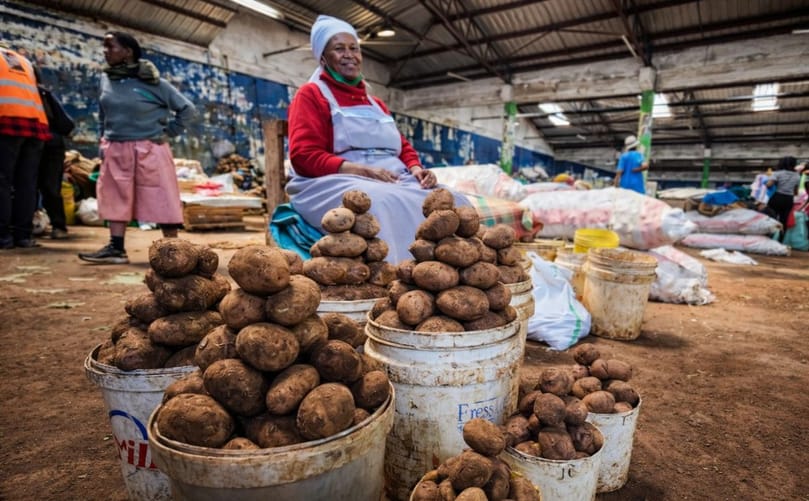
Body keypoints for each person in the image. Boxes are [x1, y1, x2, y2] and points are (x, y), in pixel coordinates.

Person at [285, 15, 470, 264]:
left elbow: (401, 146)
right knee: (380, 203)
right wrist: (360, 169)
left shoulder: (376, 103)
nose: (349, 54)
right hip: (335, 179)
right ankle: (397, 276)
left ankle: (451, 272)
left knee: (454, 199)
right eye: (339, 48)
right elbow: (303, 156)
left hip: (391, 177)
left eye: (354, 48)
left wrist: (416, 169)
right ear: (323, 57)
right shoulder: (311, 95)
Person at [78, 32, 196, 264]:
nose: (105, 51)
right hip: (115, 147)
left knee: (160, 194)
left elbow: (187, 109)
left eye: (110, 46)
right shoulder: (107, 79)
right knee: (114, 195)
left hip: (149, 147)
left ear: (128, 52)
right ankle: (116, 249)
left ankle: (173, 251)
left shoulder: (154, 83)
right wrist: (103, 140)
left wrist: (168, 132)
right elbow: (104, 113)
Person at [0, 45, 52, 249]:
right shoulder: (22, 60)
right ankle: (23, 236)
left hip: (6, 121)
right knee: (26, 182)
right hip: (35, 123)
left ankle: (3, 236)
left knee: (2, 181)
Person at [36, 70, 75, 240]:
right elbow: (66, 125)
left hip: (37, 144)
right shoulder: (45, 94)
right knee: (50, 186)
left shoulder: (42, 94)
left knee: (28, 186)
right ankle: (58, 226)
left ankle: (25, 228)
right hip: (51, 144)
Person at [765, 156, 800, 242]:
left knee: (771, 218)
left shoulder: (777, 173)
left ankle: (767, 238)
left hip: (777, 197)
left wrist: (766, 182)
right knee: (783, 220)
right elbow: (796, 192)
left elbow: (768, 185)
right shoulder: (797, 175)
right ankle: (780, 240)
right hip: (789, 199)